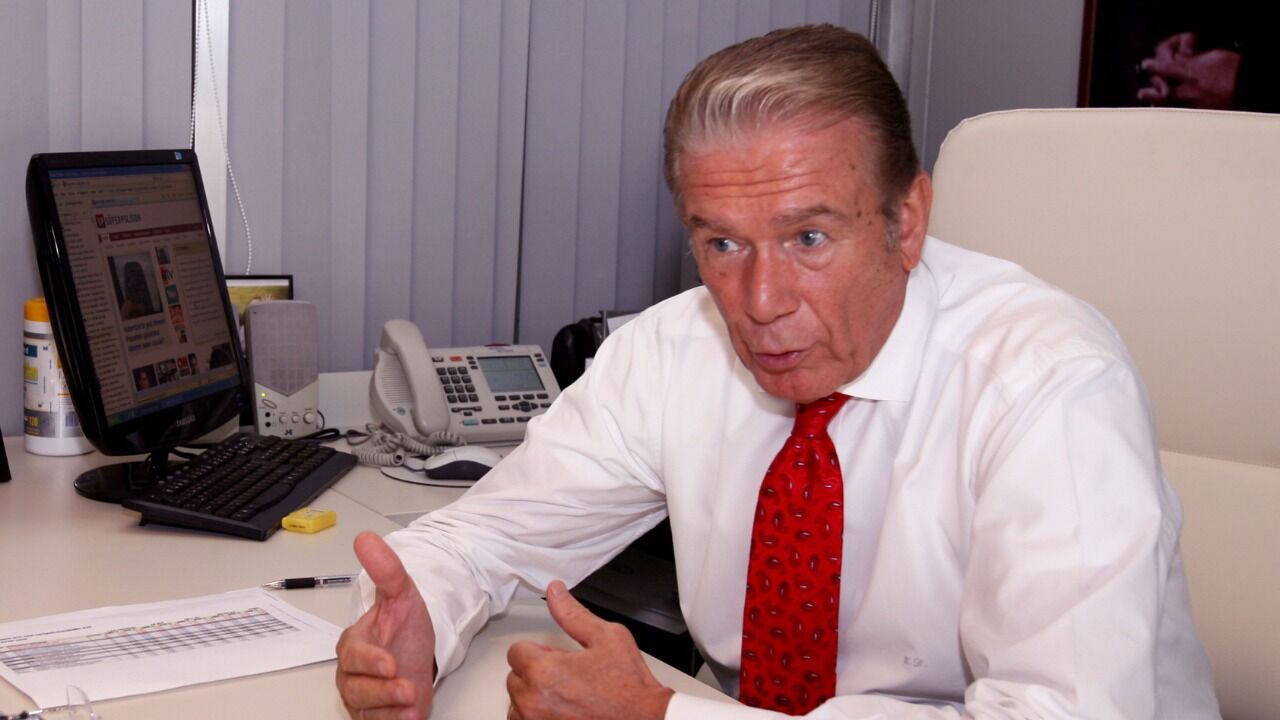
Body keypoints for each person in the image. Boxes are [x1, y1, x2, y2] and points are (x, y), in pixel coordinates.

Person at [336, 24, 1219, 719]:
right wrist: (417, 623)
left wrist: (666, 716)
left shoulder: (1048, 383)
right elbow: (479, 539)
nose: (759, 302)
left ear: (907, 220)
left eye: (809, 237)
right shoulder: (672, 350)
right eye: (722, 244)